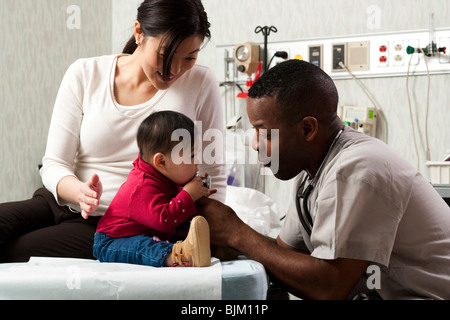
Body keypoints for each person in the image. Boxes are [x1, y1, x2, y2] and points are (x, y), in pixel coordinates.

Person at [197, 59, 450, 300]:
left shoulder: (356, 169)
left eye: (265, 134)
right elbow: (286, 255)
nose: (255, 144)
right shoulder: (313, 172)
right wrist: (224, 235)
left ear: (307, 128)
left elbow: (328, 288)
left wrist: (236, 233)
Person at [0, 0, 226, 263]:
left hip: (116, 227)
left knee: (11, 254)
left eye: (189, 57)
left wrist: (208, 234)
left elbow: (214, 176)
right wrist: (78, 192)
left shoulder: (201, 83)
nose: (174, 70)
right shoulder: (85, 73)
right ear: (139, 33)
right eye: (165, 54)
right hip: (59, 201)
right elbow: (54, 163)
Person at [93, 111, 214, 268]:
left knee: (189, 221)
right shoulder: (141, 186)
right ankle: (180, 255)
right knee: (143, 246)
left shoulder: (165, 176)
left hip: (149, 232)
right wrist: (188, 195)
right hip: (113, 241)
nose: (198, 161)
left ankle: (213, 246)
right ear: (161, 162)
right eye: (192, 155)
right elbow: (164, 220)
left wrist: (199, 192)